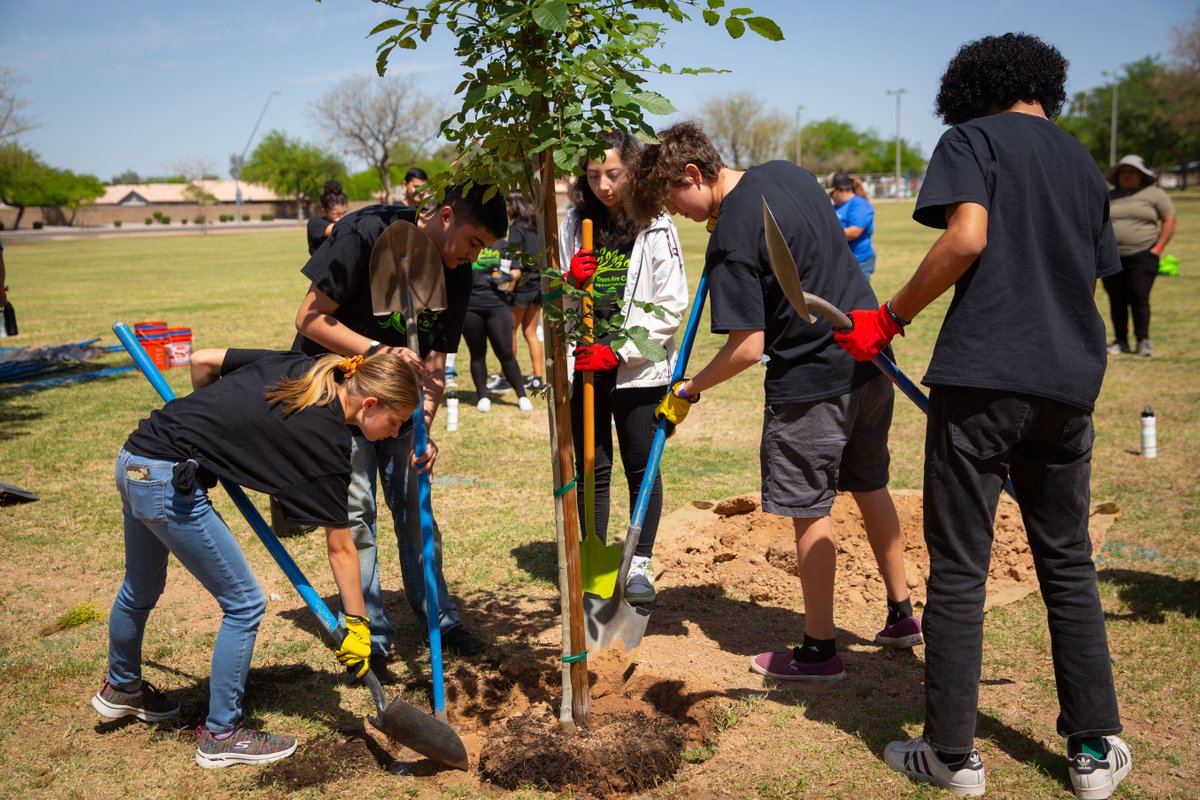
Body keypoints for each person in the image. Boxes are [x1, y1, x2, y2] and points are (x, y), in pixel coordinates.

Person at [833, 33, 1129, 799]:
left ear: (972, 88)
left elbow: (967, 237)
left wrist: (888, 318)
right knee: (1067, 561)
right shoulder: (1082, 164)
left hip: (983, 379)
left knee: (960, 568)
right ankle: (1094, 752)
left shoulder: (971, 139)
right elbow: (1088, 279)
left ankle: (953, 756)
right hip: (1069, 385)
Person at [627, 121, 921, 672]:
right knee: (869, 483)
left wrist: (689, 389)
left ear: (693, 175)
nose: (681, 216)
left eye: (675, 202)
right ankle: (902, 613)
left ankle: (818, 650)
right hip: (868, 359)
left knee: (809, 510)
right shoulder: (788, 173)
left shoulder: (729, 240)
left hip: (813, 383)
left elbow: (746, 348)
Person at [92, 349, 418, 768]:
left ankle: (122, 688)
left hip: (135, 459)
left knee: (141, 585)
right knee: (244, 603)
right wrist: (356, 623)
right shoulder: (326, 442)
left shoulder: (309, 364)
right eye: (394, 422)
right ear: (370, 404)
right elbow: (341, 546)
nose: (394, 434)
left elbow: (203, 361)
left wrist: (215, 439)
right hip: (167, 481)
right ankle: (222, 734)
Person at [293, 184, 508, 663]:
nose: (474, 256)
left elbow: (434, 364)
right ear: (447, 215)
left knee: (415, 510)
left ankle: (441, 618)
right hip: (340, 399)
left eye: (483, 250)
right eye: (473, 241)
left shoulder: (458, 271)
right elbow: (309, 319)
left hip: (401, 408)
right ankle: (373, 632)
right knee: (357, 516)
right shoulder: (367, 232)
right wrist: (375, 350)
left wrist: (423, 427)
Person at [558, 131, 687, 604]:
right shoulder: (575, 222)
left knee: (641, 466)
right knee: (593, 468)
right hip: (587, 367)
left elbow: (673, 305)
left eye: (613, 174)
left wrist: (620, 349)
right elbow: (557, 298)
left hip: (638, 371)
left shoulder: (656, 223)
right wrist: (570, 281)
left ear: (633, 170)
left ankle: (637, 566)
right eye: (593, 176)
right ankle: (593, 562)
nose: (604, 186)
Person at [1102, 154, 1176, 357]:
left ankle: (1143, 340)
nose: (1127, 175)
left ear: (1141, 174)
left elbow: (1169, 219)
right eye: (1123, 171)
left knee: (1138, 296)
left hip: (1143, 255)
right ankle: (1120, 340)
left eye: (1131, 171)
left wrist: (1158, 248)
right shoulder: (1110, 194)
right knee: (1116, 299)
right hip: (1113, 256)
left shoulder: (1155, 194)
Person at [463, 240, 534, 412]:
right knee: (477, 353)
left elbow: (517, 269)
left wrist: (509, 277)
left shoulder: (504, 245)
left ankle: (522, 395)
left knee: (506, 352)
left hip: (498, 305)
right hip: (471, 306)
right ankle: (483, 395)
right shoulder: (469, 241)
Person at [507, 192, 546, 392]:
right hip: (538, 285)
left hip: (522, 286)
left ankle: (506, 375)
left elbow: (516, 262)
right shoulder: (538, 227)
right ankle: (538, 377)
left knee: (510, 330)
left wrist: (508, 291)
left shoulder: (516, 228)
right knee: (530, 332)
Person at [829, 172, 877, 280]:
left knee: (858, 296)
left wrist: (826, 234)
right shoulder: (835, 206)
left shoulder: (859, 205)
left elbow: (854, 231)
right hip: (839, 261)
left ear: (841, 189)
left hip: (859, 262)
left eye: (831, 193)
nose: (830, 196)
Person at [306, 180, 350, 256]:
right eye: (336, 214)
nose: (342, 217)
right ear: (324, 211)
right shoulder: (315, 223)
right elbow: (338, 229)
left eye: (345, 212)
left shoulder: (348, 223)